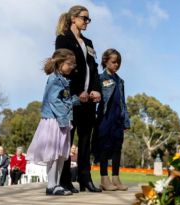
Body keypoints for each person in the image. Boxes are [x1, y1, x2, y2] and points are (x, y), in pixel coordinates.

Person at [56, 5, 102, 193]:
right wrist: (77, 92)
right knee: (68, 140)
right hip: (72, 100)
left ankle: (85, 179)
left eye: (88, 19)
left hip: (89, 101)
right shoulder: (63, 39)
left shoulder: (89, 42)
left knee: (85, 141)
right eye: (84, 18)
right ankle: (65, 180)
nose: (87, 22)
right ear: (73, 18)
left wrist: (95, 90)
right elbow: (64, 67)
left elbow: (94, 68)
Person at [27, 49, 79, 196]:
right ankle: (51, 185)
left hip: (62, 120)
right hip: (55, 121)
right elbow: (54, 100)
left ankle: (56, 184)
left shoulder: (64, 80)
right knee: (54, 154)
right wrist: (64, 117)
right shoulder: (54, 79)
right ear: (60, 62)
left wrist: (76, 99)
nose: (72, 67)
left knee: (62, 154)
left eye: (73, 65)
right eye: (70, 64)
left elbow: (64, 100)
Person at [93, 49, 130, 191]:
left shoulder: (120, 81)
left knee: (117, 148)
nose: (116, 65)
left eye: (118, 63)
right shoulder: (100, 78)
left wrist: (126, 120)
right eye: (114, 62)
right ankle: (104, 179)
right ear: (105, 61)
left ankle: (116, 178)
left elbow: (123, 102)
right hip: (105, 118)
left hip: (118, 118)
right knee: (104, 146)